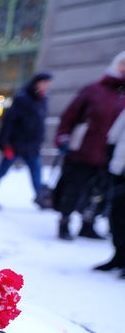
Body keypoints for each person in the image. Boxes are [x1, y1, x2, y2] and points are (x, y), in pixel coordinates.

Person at [53, 51, 125, 240]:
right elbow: (69, 116)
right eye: (123, 64)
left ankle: (88, 224)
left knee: (99, 192)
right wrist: (63, 137)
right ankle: (64, 222)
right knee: (73, 188)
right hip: (83, 151)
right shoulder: (93, 90)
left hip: (110, 155)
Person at [0, 72, 53, 208]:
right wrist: (4, 142)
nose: (47, 86)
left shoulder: (43, 99)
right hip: (16, 145)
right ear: (37, 83)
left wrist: (40, 139)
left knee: (36, 174)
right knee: (1, 172)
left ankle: (40, 198)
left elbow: (39, 124)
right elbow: (9, 121)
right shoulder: (23, 98)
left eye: (48, 83)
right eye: (45, 82)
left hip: (32, 146)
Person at [94, 108, 125, 274]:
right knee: (117, 215)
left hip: (119, 167)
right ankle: (119, 256)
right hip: (120, 168)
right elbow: (114, 134)